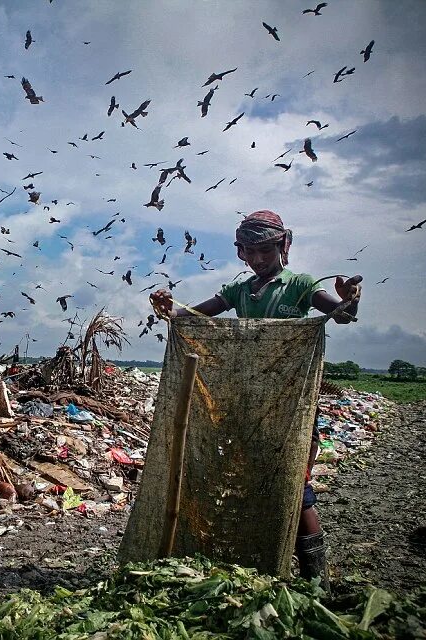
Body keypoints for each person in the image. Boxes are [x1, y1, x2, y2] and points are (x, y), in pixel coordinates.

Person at [150, 210, 362, 589]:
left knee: (294, 487)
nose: (259, 258)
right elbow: (193, 316)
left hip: (291, 410)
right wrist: (169, 309)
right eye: (250, 251)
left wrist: (349, 301)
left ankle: (319, 582)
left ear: (284, 246)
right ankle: (251, 566)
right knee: (244, 483)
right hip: (246, 407)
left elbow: (342, 315)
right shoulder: (238, 291)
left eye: (266, 249)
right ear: (241, 253)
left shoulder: (300, 285)